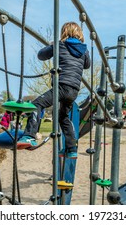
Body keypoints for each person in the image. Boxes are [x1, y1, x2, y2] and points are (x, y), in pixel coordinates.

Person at [17, 22, 91, 159]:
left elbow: (41, 55)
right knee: (62, 117)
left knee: (36, 104)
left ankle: (29, 135)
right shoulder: (84, 50)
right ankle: (71, 148)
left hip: (62, 86)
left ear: (64, 32)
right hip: (74, 90)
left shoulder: (60, 45)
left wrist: (52, 45)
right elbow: (87, 65)